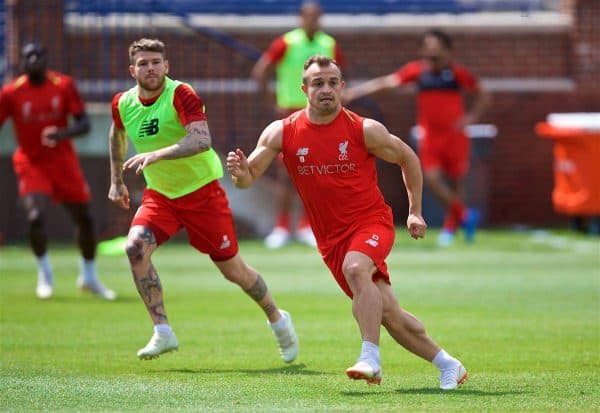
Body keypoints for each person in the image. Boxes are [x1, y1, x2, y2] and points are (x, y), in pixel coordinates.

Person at [227, 55, 467, 389]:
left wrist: (414, 210)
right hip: (331, 240)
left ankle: (370, 357)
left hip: (371, 223)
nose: (326, 89)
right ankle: (448, 364)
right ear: (304, 89)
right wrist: (240, 174)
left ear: (342, 87)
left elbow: (407, 156)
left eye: (332, 82)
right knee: (389, 315)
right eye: (317, 83)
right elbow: (248, 176)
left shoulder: (363, 129)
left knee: (356, 269)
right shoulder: (282, 132)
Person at [108, 38, 298, 362]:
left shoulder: (181, 94)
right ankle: (163, 331)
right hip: (161, 196)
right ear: (132, 70)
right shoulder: (123, 103)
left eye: (156, 62)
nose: (150, 68)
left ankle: (277, 319)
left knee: (234, 271)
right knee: (135, 248)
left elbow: (200, 139)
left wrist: (157, 154)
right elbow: (117, 133)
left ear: (166, 67)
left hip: (202, 194)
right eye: (143, 63)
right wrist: (116, 182)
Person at [344, 29, 491, 246]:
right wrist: (354, 93)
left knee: (456, 183)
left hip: (455, 135)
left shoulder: (457, 73)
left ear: (447, 50)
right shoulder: (418, 72)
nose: (432, 51)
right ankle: (466, 216)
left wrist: (472, 117)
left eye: (436, 46)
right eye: (428, 46)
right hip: (430, 136)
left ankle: (452, 227)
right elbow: (387, 83)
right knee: (431, 179)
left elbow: (483, 93)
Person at [0, 42, 116, 301]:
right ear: (21, 61)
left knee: (85, 219)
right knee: (34, 215)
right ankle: (45, 273)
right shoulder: (11, 93)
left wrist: (61, 134)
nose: (33, 60)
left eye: (38, 55)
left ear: (46, 59)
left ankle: (89, 276)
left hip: (63, 162)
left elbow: (84, 124)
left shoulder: (63, 85)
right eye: (28, 55)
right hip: (31, 163)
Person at [251, 0, 345, 249]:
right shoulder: (287, 42)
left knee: (316, 171)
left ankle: (308, 226)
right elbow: (261, 70)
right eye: (308, 16)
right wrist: (273, 101)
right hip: (293, 113)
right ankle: (282, 226)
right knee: (288, 173)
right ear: (301, 18)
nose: (312, 21)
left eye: (316, 17)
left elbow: (339, 76)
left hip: (321, 115)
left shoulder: (329, 43)